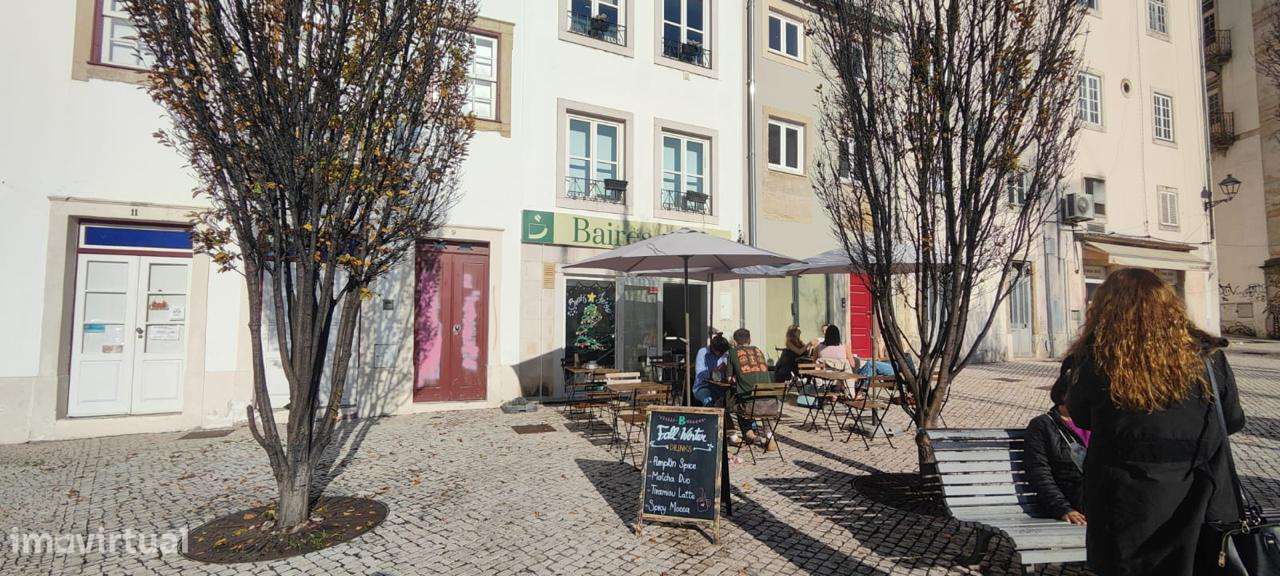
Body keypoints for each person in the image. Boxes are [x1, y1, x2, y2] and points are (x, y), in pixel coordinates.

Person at [1066, 268, 1245, 576]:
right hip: (1196, 496)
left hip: (1123, 503)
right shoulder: (1207, 357)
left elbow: (1080, 417)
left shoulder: (1097, 358)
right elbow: (1231, 420)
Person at [1023, 368, 1087, 526]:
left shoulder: (1098, 423)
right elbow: (1040, 473)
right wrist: (1062, 508)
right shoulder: (1043, 425)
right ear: (1064, 395)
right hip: (1076, 502)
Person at [726, 328, 781, 451]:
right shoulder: (758, 350)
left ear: (735, 342)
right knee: (761, 402)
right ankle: (769, 435)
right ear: (750, 340)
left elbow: (729, 378)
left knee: (729, 404)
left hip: (751, 407)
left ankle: (745, 435)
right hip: (772, 404)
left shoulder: (733, 352)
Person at [692, 334, 731, 407]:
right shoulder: (703, 352)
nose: (721, 354)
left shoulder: (726, 353)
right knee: (709, 402)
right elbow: (700, 374)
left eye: (723, 352)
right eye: (720, 352)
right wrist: (715, 371)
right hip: (704, 387)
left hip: (722, 388)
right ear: (713, 348)